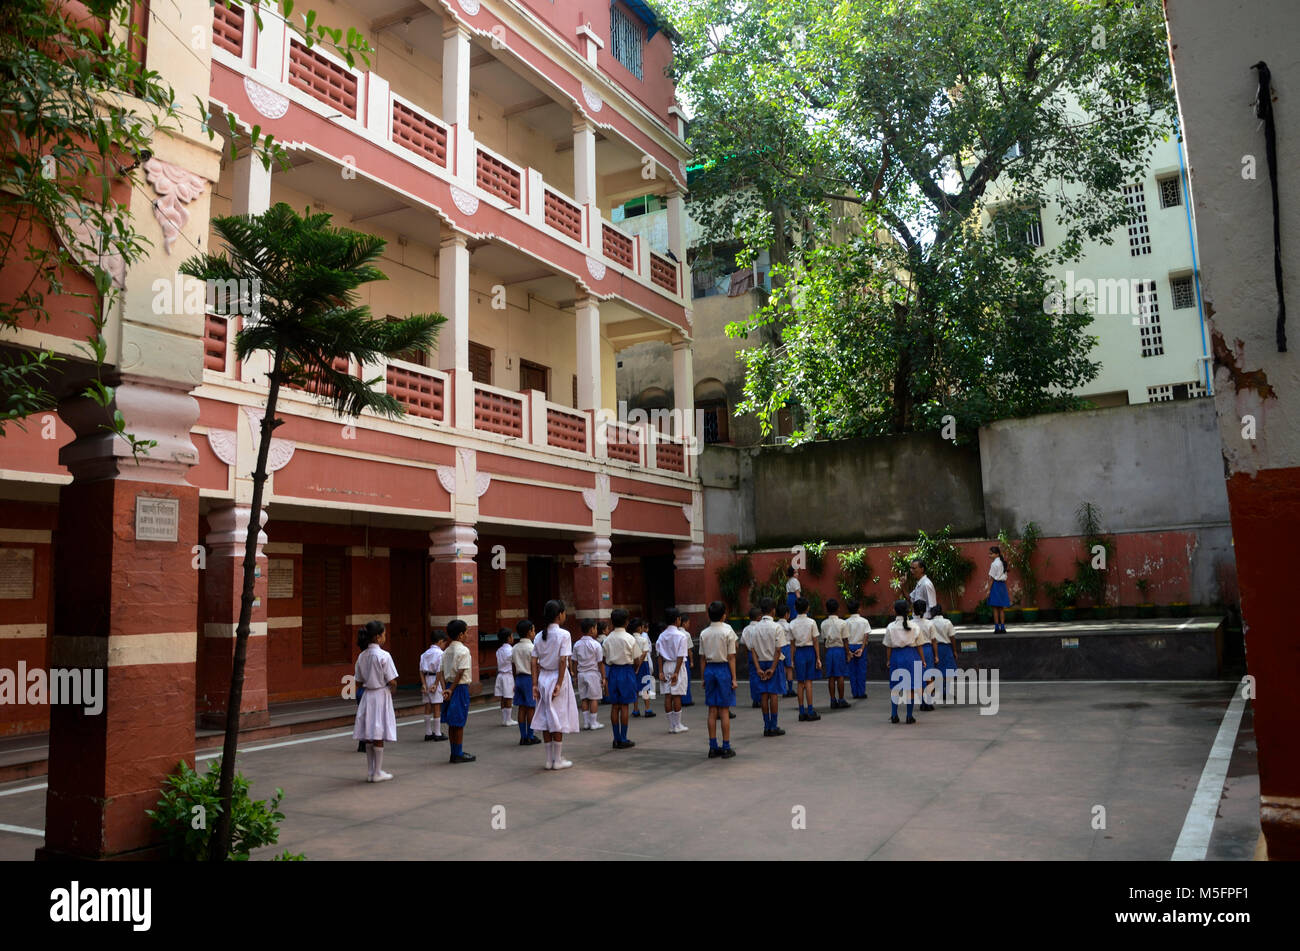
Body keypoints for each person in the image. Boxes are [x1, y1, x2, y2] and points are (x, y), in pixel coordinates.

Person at [532, 600, 580, 770]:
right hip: (556, 677)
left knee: (546, 716)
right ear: (559, 614)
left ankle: (548, 759)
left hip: (543, 677)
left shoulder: (538, 635)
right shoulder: (564, 635)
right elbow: (562, 660)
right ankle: (557, 760)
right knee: (557, 717)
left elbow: (534, 661)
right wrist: (559, 683)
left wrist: (534, 683)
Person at [353, 620, 398, 782]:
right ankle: (377, 771)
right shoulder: (384, 655)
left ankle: (371, 771)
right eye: (384, 634)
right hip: (380, 694)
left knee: (369, 734)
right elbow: (392, 680)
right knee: (378, 732)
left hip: (367, 695)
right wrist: (392, 687)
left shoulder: (362, 656)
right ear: (378, 637)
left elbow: (357, 680)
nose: (385, 637)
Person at [699, 601, 738, 759]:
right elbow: (731, 657)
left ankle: (713, 746)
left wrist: (703, 677)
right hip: (723, 669)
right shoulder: (727, 632)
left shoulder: (704, 633)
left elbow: (702, 658)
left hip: (709, 669)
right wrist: (734, 678)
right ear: (724, 615)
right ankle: (726, 746)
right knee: (724, 710)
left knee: (712, 710)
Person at [602, 608, 639, 750]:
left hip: (613, 672)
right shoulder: (630, 638)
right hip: (626, 671)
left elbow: (604, 659)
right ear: (626, 622)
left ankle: (616, 738)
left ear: (612, 622)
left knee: (615, 706)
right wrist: (634, 669)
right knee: (624, 706)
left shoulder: (607, 639)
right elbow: (636, 659)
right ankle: (623, 738)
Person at [883, 599, 923, 724]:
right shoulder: (915, 626)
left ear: (894, 611)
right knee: (910, 688)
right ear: (908, 611)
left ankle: (894, 714)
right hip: (911, 655)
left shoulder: (891, 626)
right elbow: (919, 645)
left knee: (895, 686)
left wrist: (888, 660)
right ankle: (909, 716)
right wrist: (923, 659)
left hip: (896, 656)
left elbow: (888, 646)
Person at [442, 619, 476, 763]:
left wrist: (446, 689)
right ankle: (458, 752)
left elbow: (441, 671)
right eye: (467, 632)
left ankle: (454, 751)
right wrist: (451, 689)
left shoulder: (446, 651)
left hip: (449, 685)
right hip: (459, 687)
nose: (468, 635)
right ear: (461, 635)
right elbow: (461, 672)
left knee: (452, 722)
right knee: (459, 722)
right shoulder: (463, 650)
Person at [752, 598, 786, 737]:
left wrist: (758, 668)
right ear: (773, 610)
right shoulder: (777, 627)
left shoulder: (755, 628)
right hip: (773, 662)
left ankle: (766, 726)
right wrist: (773, 667)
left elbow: (753, 650)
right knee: (774, 694)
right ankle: (774, 725)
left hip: (760, 662)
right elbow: (778, 650)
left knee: (764, 695)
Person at [657, 607, 691, 734]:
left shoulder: (662, 635)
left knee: (668, 695)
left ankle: (671, 725)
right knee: (677, 695)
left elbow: (659, 655)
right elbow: (681, 656)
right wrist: (676, 672)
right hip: (677, 666)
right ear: (678, 620)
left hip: (666, 666)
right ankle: (678, 724)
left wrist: (660, 671)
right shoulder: (681, 635)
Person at [789, 597, 823, 721]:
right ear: (807, 608)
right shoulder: (811, 622)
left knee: (800, 682)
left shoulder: (792, 624)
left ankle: (801, 711)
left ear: (795, 608)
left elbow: (792, 644)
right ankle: (810, 710)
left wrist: (791, 659)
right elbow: (815, 641)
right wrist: (818, 658)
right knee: (809, 682)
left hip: (799, 652)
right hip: (809, 652)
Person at [512, 619, 542, 745]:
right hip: (530, 679)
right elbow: (537, 666)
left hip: (519, 678)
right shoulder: (533, 647)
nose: (534, 632)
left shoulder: (514, 648)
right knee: (531, 708)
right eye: (534, 630)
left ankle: (523, 736)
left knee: (521, 708)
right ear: (530, 632)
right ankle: (530, 735)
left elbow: (513, 666)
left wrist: (515, 681)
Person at [573, 619, 605, 730]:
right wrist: (604, 677)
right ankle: (594, 722)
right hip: (593, 674)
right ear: (592, 629)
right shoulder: (596, 644)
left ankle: (586, 722)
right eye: (595, 628)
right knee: (594, 698)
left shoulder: (577, 644)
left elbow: (574, 661)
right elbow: (600, 663)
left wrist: (575, 675)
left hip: (581, 674)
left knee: (584, 698)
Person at [419, 631, 448, 742]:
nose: (444, 646)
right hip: (435, 679)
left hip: (426, 679)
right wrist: (436, 685)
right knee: (436, 707)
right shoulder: (440, 653)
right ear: (440, 641)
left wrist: (424, 684)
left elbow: (421, 671)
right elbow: (439, 671)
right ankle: (437, 733)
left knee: (427, 706)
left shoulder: (424, 654)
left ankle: (428, 733)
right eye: (444, 643)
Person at [820, 597, 849, 708]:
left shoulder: (823, 623)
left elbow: (824, 640)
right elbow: (845, 640)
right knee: (840, 675)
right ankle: (841, 699)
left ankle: (832, 699)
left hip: (830, 650)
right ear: (838, 609)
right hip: (839, 650)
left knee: (831, 677)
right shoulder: (842, 623)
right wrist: (848, 653)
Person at [912, 599, 939, 711]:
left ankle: (922, 701)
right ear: (925, 610)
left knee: (918, 676)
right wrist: (936, 655)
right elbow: (934, 641)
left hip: (915, 650)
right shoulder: (929, 623)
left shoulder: (911, 623)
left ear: (913, 610)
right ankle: (928, 702)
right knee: (929, 676)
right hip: (927, 649)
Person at [930, 603, 959, 702]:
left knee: (937, 670)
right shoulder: (947, 622)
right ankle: (946, 692)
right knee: (948, 671)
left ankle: (940, 690)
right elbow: (952, 637)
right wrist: (954, 650)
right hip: (946, 648)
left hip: (934, 648)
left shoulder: (930, 623)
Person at [843, 600, 871, 700]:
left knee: (852, 671)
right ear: (859, 609)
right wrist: (862, 649)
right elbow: (866, 635)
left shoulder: (845, 622)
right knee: (861, 670)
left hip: (850, 646)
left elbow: (845, 638)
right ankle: (861, 692)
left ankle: (854, 692)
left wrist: (847, 651)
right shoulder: (864, 621)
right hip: (860, 646)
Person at [630, 616, 657, 719]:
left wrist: (635, 666)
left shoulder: (630, 639)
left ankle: (635, 709)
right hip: (643, 665)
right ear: (639, 628)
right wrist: (639, 666)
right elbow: (644, 654)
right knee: (645, 687)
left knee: (635, 688)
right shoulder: (643, 640)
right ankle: (647, 709)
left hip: (632, 664)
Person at [493, 628, 517, 727]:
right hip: (508, 675)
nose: (513, 638)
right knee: (508, 697)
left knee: (503, 697)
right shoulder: (511, 650)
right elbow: (513, 663)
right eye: (511, 636)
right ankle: (508, 719)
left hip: (500, 675)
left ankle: (504, 719)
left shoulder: (499, 650)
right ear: (508, 638)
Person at [740, 606, 763, 708]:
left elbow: (743, 643)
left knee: (753, 677)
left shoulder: (746, 629)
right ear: (759, 617)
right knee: (762, 676)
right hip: (761, 653)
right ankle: (762, 698)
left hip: (750, 653)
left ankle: (755, 699)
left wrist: (746, 655)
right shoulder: (760, 627)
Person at [987, 546, 1011, 632]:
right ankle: (1003, 627)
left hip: (996, 585)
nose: (989, 555)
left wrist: (988, 590)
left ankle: (997, 627)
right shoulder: (1002, 562)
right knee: (1001, 608)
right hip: (1002, 586)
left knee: (995, 608)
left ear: (997, 554)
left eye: (991, 553)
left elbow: (992, 578)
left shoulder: (994, 564)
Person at [776, 600, 796, 699]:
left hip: (778, 647)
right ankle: (790, 689)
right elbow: (793, 640)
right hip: (787, 647)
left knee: (781, 669)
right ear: (787, 614)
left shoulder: (775, 625)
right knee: (789, 668)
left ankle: (782, 688)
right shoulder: (789, 625)